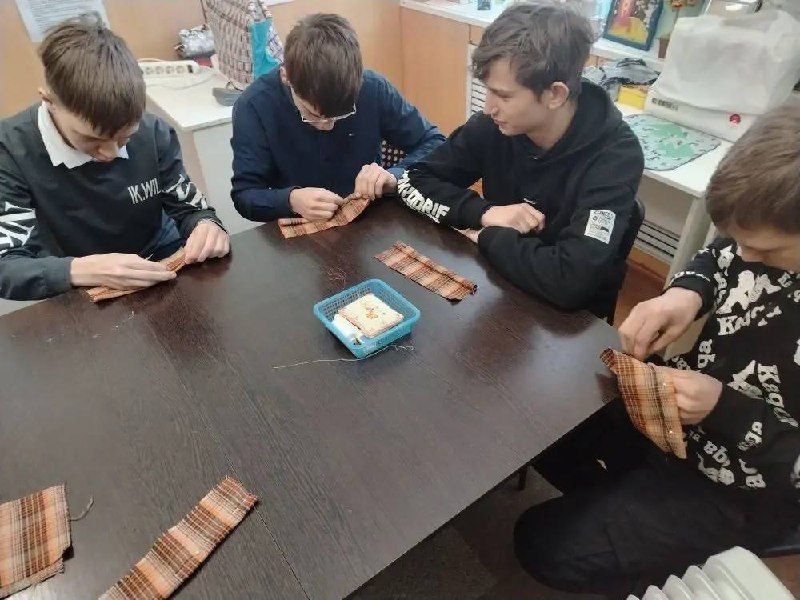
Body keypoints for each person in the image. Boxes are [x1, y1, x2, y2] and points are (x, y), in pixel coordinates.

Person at [514, 105, 800, 597]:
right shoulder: (763, 235)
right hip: (681, 419)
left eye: (767, 253)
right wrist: (687, 291)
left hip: (741, 487)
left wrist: (723, 409)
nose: (746, 258)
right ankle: (626, 497)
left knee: (542, 543)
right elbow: (723, 254)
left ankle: (641, 520)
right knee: (541, 420)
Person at [397, 1, 644, 318]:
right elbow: (414, 180)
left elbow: (571, 281)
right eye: (488, 91)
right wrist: (486, 213)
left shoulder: (616, 157)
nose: (488, 108)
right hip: (499, 287)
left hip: (568, 324)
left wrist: (487, 236)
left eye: (503, 95)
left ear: (555, 95)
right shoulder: (493, 126)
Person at [0, 17, 229, 301]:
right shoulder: (10, 151)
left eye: (124, 138)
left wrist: (206, 225)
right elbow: (7, 265)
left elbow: (189, 208)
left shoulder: (152, 131)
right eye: (91, 140)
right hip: (83, 284)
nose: (109, 154)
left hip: (161, 258)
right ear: (49, 101)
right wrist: (80, 270)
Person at [230, 13, 445, 223]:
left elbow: (435, 143)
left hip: (370, 218)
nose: (328, 126)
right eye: (313, 115)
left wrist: (394, 176)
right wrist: (290, 200)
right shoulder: (254, 106)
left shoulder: (373, 88)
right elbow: (245, 195)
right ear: (286, 76)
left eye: (342, 114)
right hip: (301, 227)